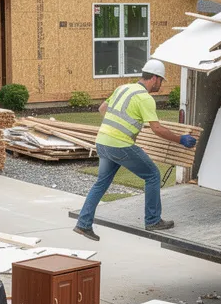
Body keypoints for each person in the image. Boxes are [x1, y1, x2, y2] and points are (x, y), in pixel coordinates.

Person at [74, 58, 198, 241]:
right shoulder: (145, 98)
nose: (161, 85)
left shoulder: (122, 88)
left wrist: (122, 123)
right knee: (153, 175)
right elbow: (157, 129)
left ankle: (83, 224)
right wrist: (181, 139)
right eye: (161, 81)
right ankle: (153, 220)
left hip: (102, 141)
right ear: (154, 78)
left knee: (101, 183)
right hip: (119, 145)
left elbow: (103, 109)